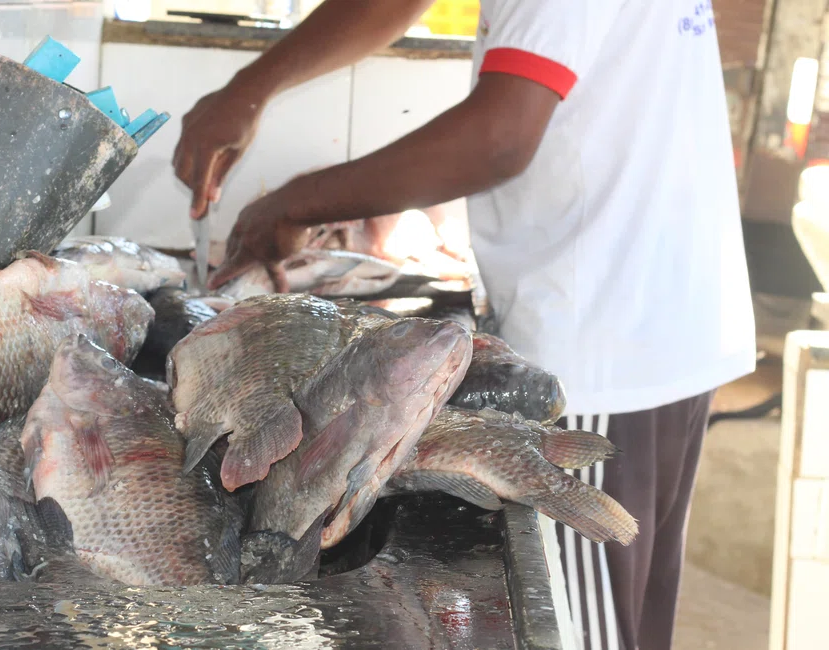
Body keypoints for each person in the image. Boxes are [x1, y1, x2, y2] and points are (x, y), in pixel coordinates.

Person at [171, 1, 757, 649]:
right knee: (620, 623)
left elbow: (499, 137)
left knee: (583, 629)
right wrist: (250, 91)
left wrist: (298, 203)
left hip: (602, 340)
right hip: (649, 315)